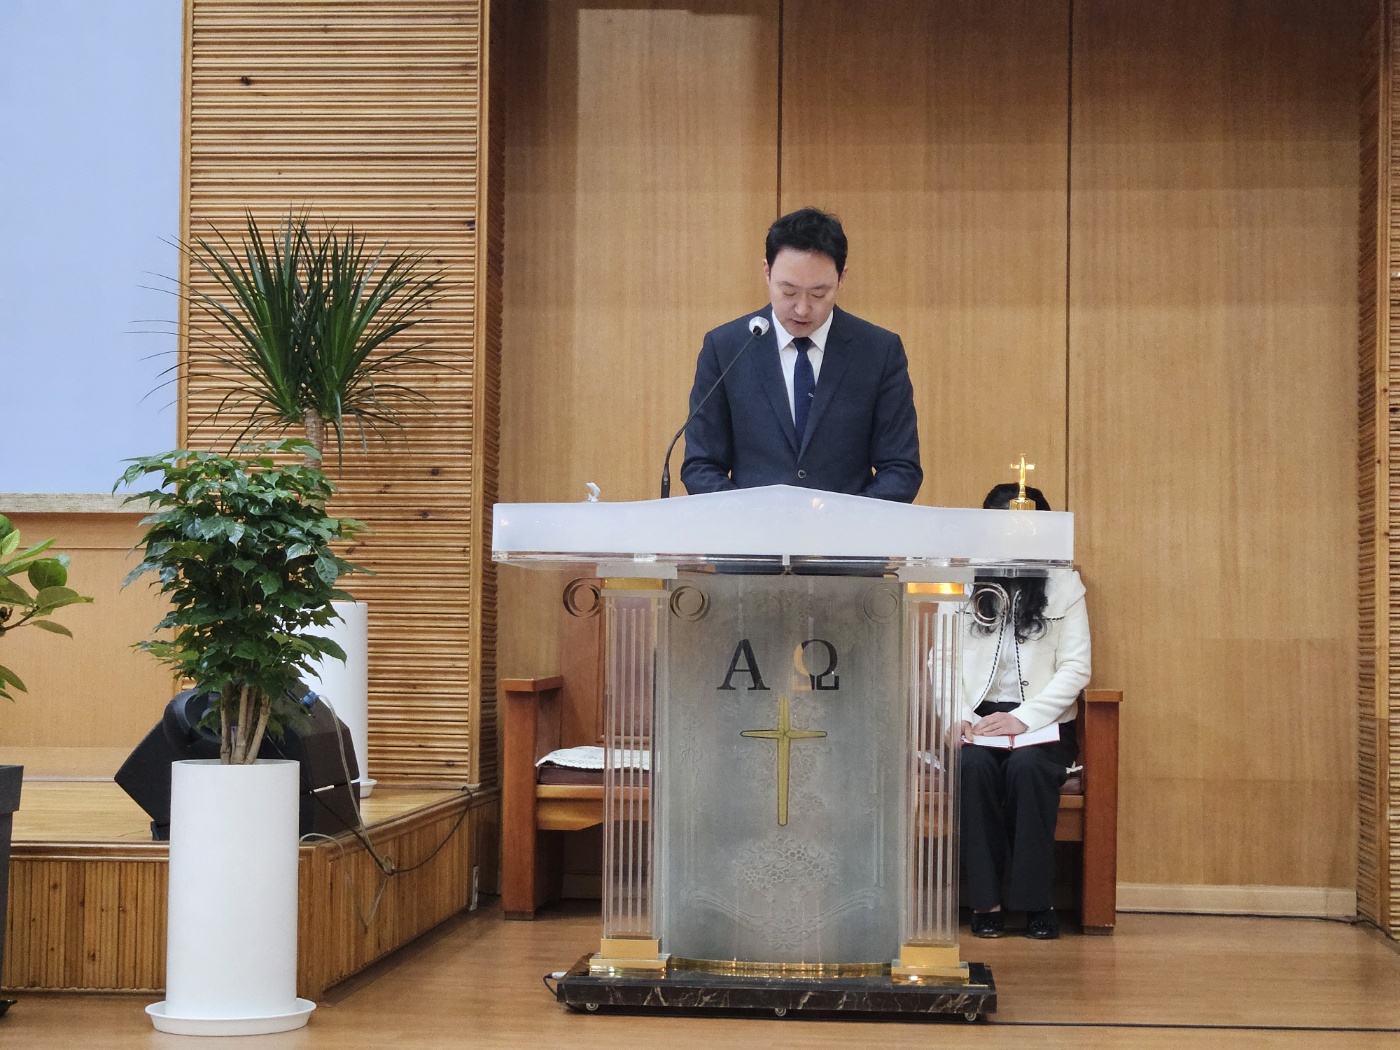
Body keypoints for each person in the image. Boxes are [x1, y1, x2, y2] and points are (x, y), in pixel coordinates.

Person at [680, 208, 922, 502]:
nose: (803, 308)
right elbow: (701, 464)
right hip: (751, 529)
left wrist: (852, 521)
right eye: (789, 292)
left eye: (819, 294)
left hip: (849, 530)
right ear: (767, 272)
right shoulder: (726, 348)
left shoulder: (878, 351)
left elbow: (901, 468)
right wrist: (746, 517)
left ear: (841, 278)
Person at [959, 483, 1091, 940]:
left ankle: (1037, 901)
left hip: (1044, 722)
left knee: (1029, 769)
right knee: (972, 766)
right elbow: (941, 660)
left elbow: (1076, 667)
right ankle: (986, 902)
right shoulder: (965, 581)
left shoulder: (1064, 585)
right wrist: (958, 714)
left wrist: (1025, 718)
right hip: (978, 718)